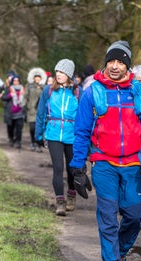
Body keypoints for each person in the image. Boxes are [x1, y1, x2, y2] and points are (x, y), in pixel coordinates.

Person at [69, 40, 141, 261]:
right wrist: (78, 167)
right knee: (108, 218)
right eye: (112, 61)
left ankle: (118, 253)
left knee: (133, 216)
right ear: (106, 62)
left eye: (121, 62)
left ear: (127, 66)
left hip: (132, 165)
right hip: (104, 164)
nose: (116, 66)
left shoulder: (138, 92)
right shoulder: (93, 92)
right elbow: (81, 131)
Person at [35, 59, 80, 216]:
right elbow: (40, 113)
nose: (59, 75)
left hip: (72, 134)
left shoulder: (77, 92)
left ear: (69, 74)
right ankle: (60, 202)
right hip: (53, 133)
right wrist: (38, 133)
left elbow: (85, 116)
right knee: (58, 168)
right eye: (57, 72)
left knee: (72, 169)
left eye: (62, 72)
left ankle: (72, 193)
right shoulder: (48, 90)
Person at [24, 67, 47, 152]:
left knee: (39, 128)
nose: (37, 78)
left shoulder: (44, 87)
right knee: (32, 128)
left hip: (40, 110)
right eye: (36, 77)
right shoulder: (29, 86)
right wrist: (24, 105)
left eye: (39, 77)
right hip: (31, 110)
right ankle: (32, 142)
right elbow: (25, 96)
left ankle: (38, 144)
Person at [2, 75, 25, 148]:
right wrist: (9, 95)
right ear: (12, 82)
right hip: (11, 113)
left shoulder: (23, 89)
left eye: (17, 81)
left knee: (19, 128)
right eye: (14, 81)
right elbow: (3, 97)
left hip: (20, 112)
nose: (16, 82)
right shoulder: (9, 89)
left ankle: (18, 141)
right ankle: (11, 139)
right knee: (11, 128)